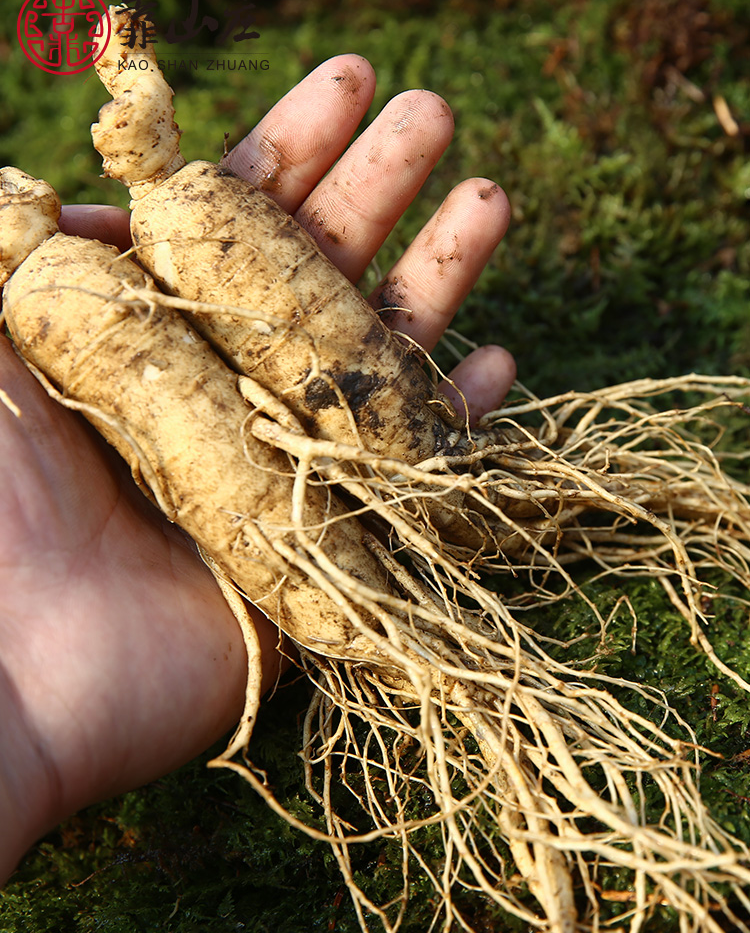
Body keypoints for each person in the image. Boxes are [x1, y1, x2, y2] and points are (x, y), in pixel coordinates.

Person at [0, 54, 515, 884]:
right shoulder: (51, 293)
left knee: (357, 372)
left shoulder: (165, 219)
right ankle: (422, 653)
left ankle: (461, 529)